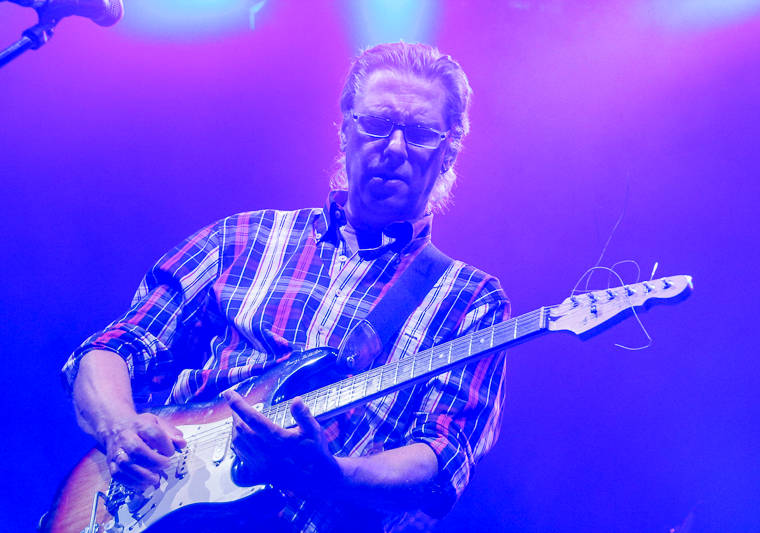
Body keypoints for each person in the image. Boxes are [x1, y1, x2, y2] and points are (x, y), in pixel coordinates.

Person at [61, 42, 510, 532]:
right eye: (378, 124)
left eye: (420, 133)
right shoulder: (241, 237)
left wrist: (332, 475)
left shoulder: (469, 300)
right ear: (345, 131)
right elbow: (114, 348)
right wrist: (120, 429)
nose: (396, 147)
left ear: (448, 152)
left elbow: (441, 456)